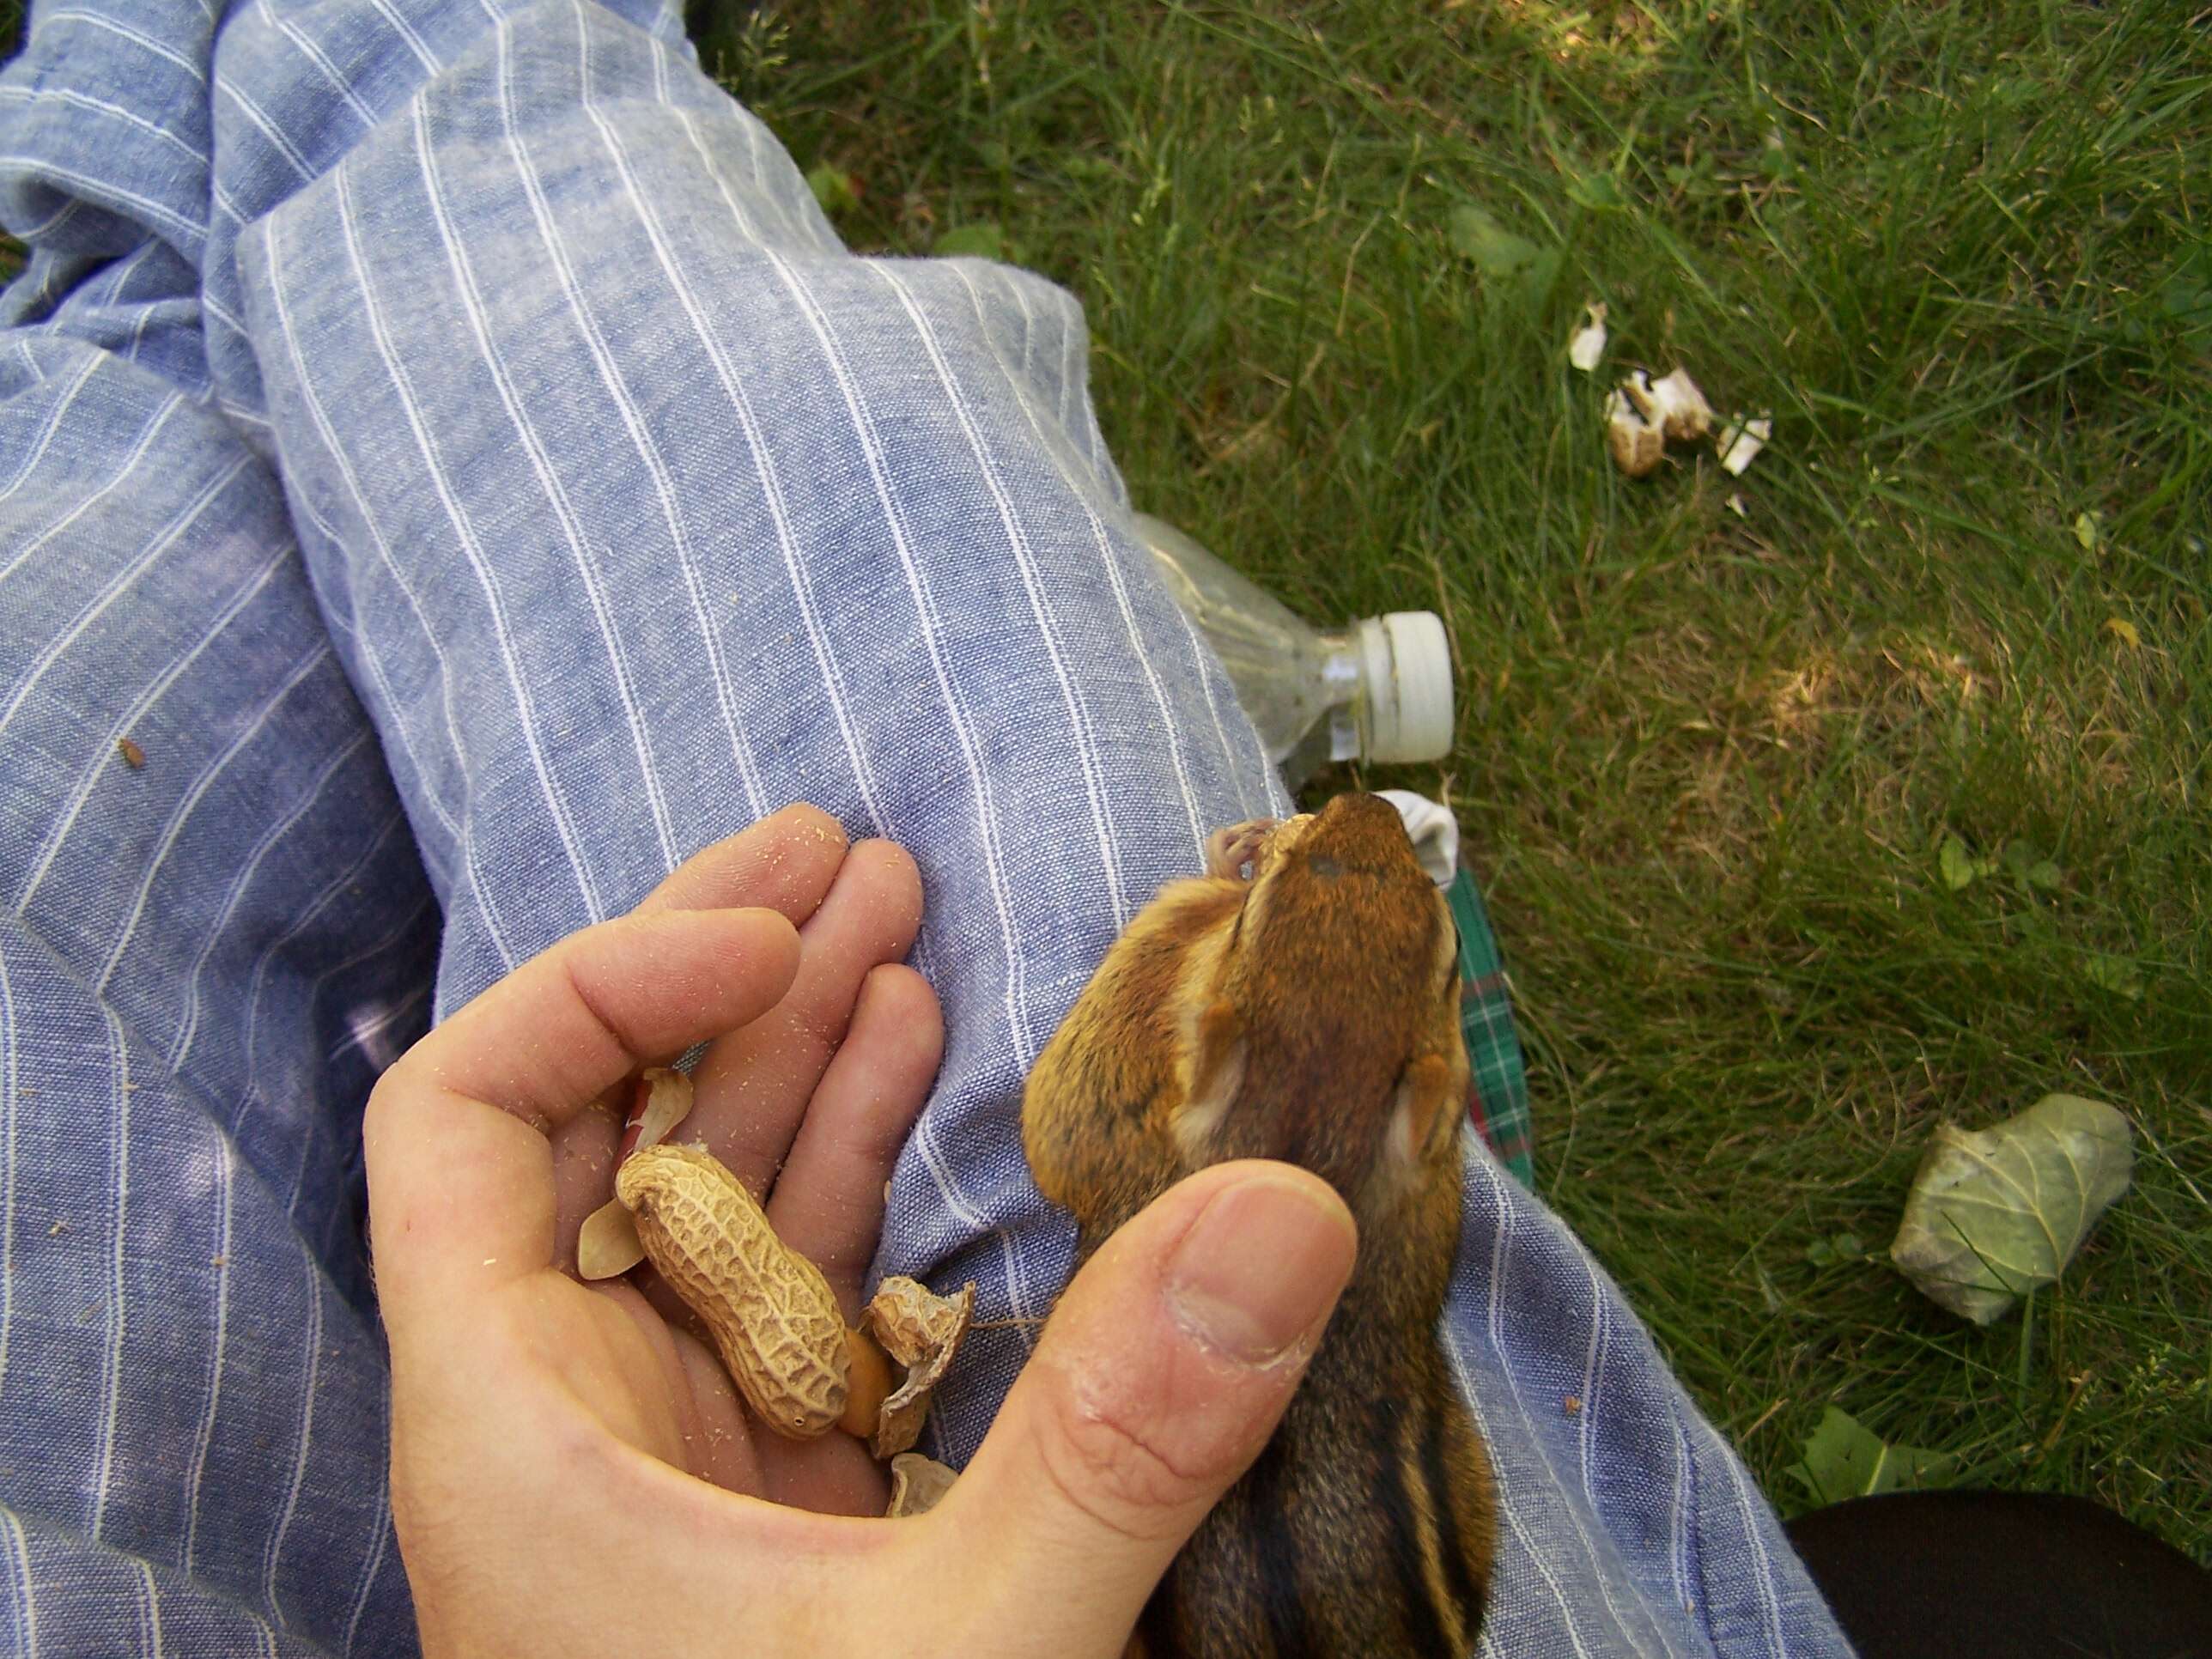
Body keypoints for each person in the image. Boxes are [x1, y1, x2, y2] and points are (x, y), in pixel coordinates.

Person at [0, 0, 1849, 1652]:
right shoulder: (1382, 1186)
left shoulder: (1195, 1144)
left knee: (74, 641)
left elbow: (1075, 1138)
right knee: (320, 316)